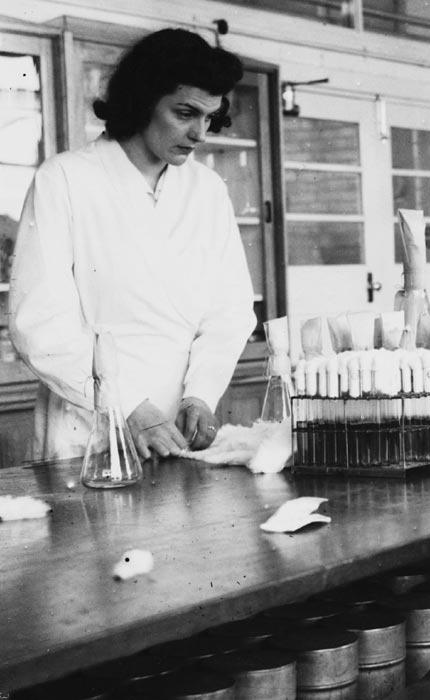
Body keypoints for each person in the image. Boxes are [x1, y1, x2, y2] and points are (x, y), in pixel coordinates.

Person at [10, 28, 256, 461]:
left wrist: (200, 394)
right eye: (185, 113)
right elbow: (39, 324)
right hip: (89, 430)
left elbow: (230, 312)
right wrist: (125, 406)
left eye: (209, 117)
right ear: (143, 100)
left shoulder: (207, 191)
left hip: (179, 436)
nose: (200, 133)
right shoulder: (66, 180)